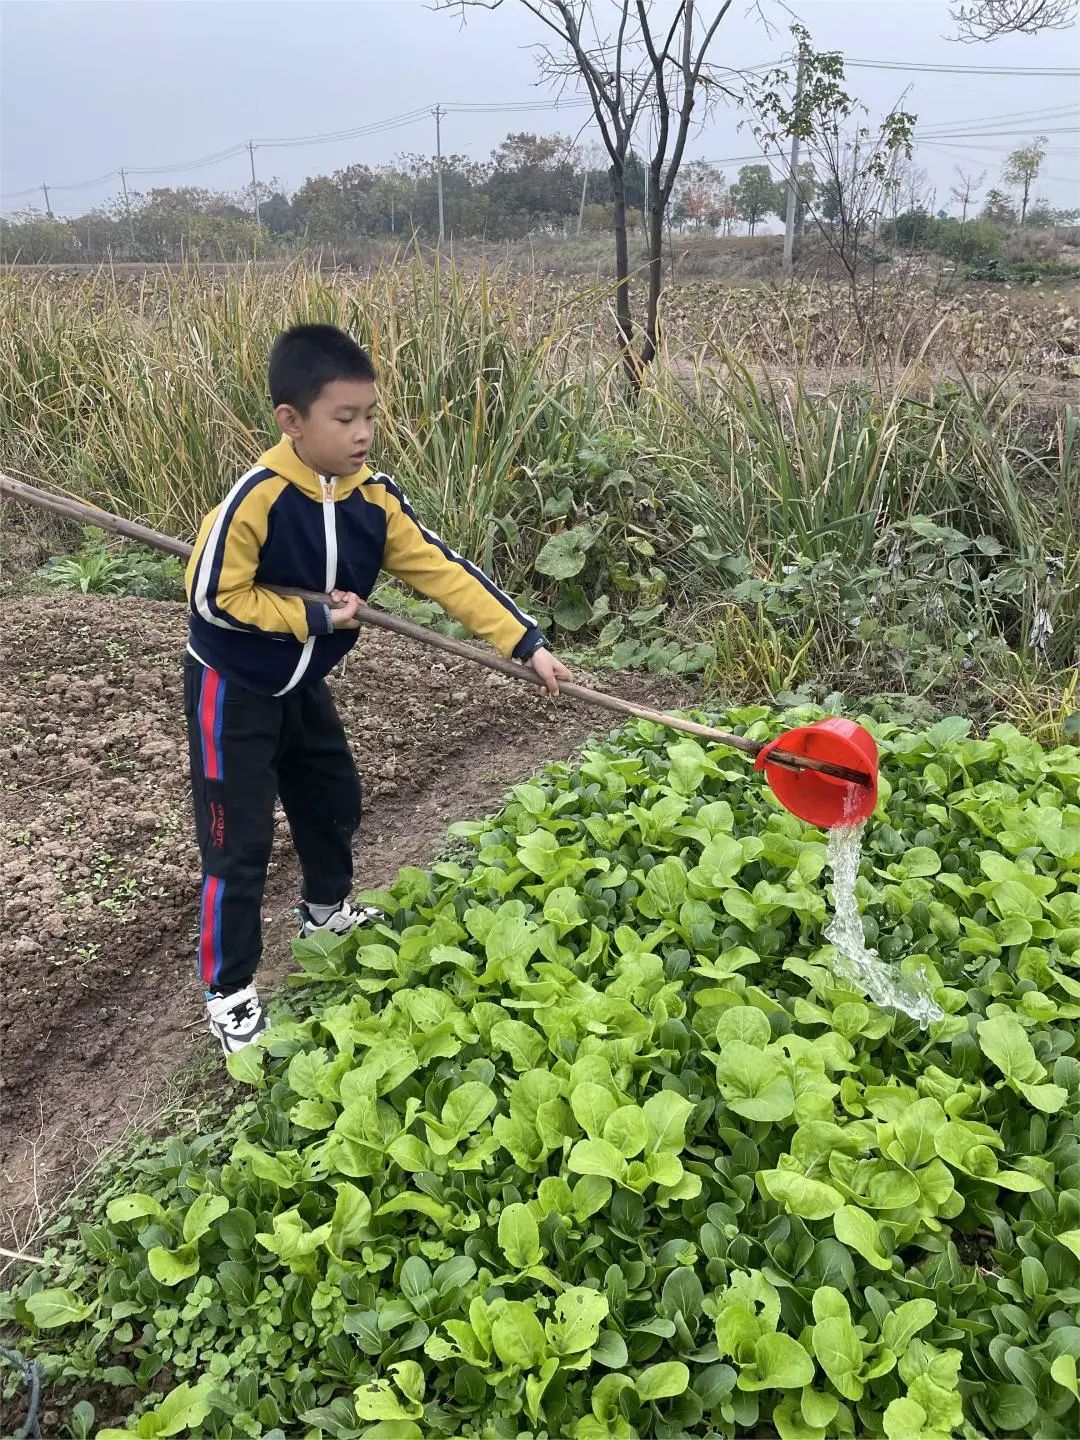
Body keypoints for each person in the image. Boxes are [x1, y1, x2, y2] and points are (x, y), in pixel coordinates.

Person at [184, 323, 570, 1056]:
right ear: (291, 422)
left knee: (333, 799)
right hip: (232, 687)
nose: (364, 434)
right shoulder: (255, 500)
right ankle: (229, 991)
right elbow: (212, 597)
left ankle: (325, 913)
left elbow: (441, 569)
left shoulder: (372, 500)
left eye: (370, 417)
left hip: (303, 683)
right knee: (237, 844)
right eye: (345, 418)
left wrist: (524, 642)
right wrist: (311, 614)